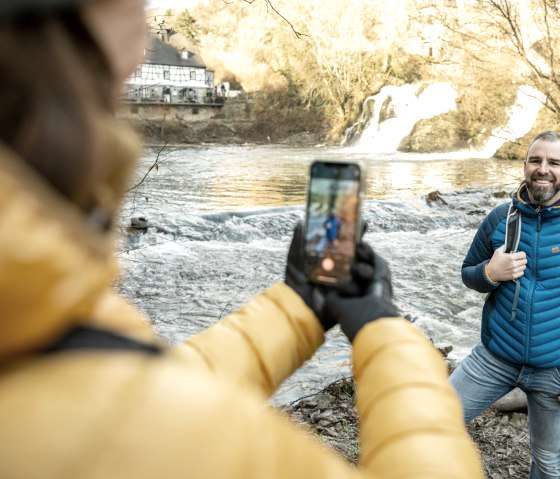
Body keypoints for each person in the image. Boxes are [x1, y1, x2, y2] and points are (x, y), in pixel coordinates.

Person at [0, 0, 483, 477]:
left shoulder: (34, 307)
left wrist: (298, 306)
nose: (145, 39)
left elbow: (131, 385)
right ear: (71, 25)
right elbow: (136, 410)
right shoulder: (132, 428)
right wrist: (384, 330)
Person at [450, 131, 560, 478]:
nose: (543, 169)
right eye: (536, 160)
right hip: (494, 357)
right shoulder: (501, 217)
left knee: (548, 464)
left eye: (554, 162)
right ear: (525, 166)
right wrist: (490, 272)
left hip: (554, 372)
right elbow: (468, 273)